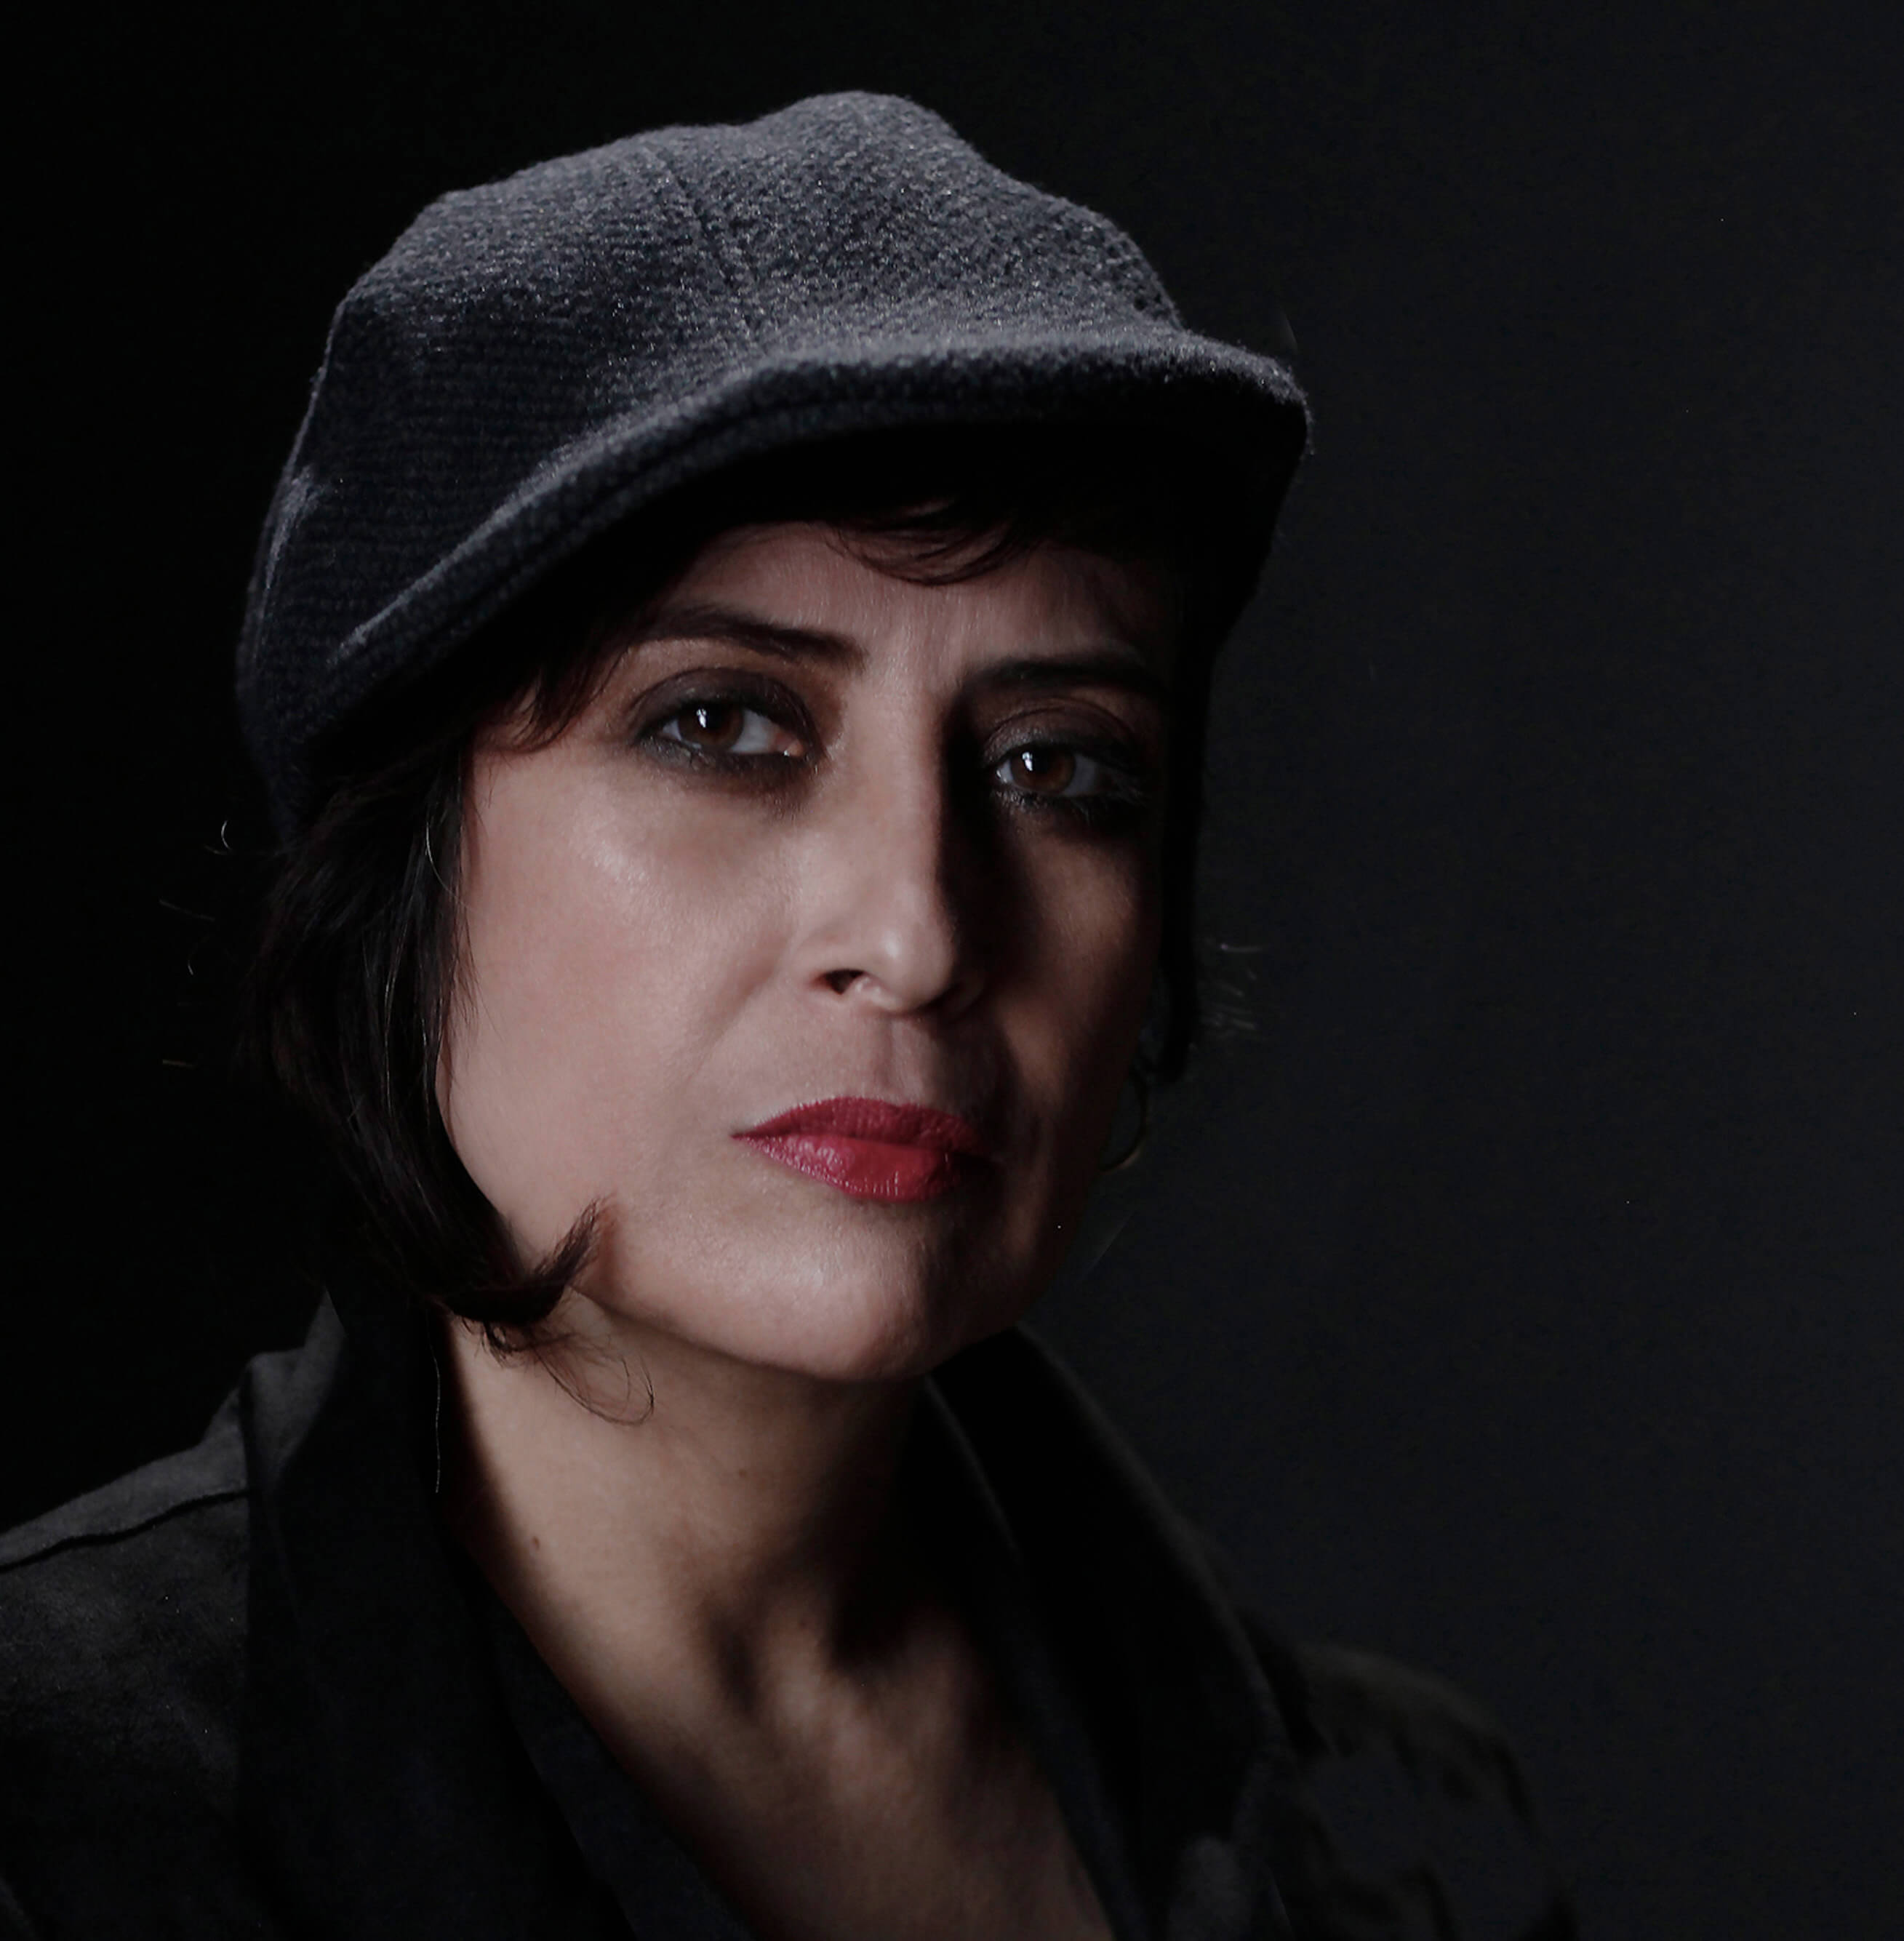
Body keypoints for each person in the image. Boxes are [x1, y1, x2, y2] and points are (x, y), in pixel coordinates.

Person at [0, 93, 1575, 1940]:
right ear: (401, 861)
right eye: (724, 726)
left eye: (1058, 766)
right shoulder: (54, 1820)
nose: (916, 934)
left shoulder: (1404, 1836)